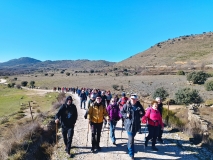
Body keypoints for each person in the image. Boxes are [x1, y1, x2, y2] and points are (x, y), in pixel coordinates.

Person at [120, 94, 144, 160]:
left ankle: (128, 146)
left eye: (134, 99)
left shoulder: (139, 106)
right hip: (129, 125)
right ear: (130, 99)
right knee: (131, 140)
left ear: (136, 100)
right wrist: (126, 115)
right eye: (132, 99)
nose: (133, 100)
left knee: (131, 138)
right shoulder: (126, 105)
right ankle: (131, 154)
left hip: (136, 126)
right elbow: (121, 112)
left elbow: (143, 113)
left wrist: (141, 113)